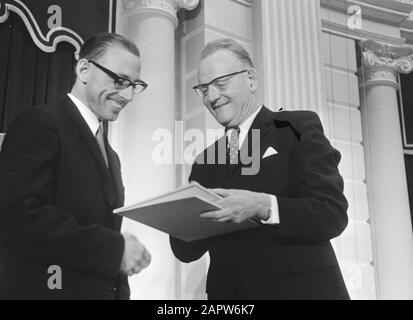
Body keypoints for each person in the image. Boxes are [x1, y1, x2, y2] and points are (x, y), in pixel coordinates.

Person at [170, 38, 350, 300]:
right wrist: (178, 216)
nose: (212, 96)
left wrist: (266, 206)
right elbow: (185, 252)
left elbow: (332, 214)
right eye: (204, 89)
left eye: (221, 83)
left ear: (251, 79)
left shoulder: (296, 126)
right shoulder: (205, 161)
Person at [0, 33, 151, 300]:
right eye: (119, 81)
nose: (128, 95)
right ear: (83, 69)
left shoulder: (111, 156)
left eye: (134, 84)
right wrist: (115, 250)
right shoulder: (41, 123)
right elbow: (19, 216)